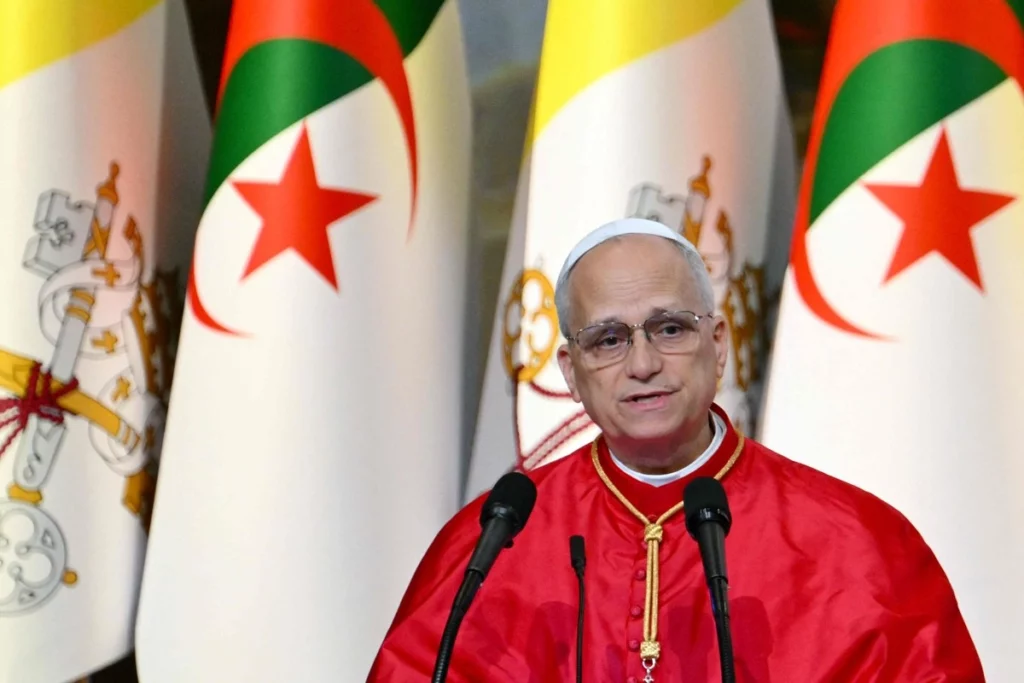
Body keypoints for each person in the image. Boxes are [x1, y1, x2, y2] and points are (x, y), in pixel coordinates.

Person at [367, 218, 984, 682]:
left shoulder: (859, 543)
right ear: (572, 372)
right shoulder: (490, 546)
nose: (643, 364)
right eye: (608, 339)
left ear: (718, 344)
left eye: (669, 329)